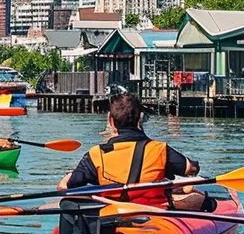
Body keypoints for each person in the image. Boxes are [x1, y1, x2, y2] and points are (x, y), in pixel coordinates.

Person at [61, 89, 210, 223]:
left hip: (111, 214)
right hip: (156, 215)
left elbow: (67, 186)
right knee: (203, 199)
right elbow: (191, 168)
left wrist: (71, 175)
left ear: (111, 121)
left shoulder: (96, 154)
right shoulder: (159, 150)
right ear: (140, 119)